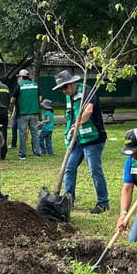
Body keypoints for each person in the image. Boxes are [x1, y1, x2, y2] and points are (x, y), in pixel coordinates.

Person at [53, 69, 109, 214]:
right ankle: (68, 200)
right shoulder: (69, 96)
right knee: (69, 168)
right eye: (61, 89)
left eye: (65, 87)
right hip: (77, 141)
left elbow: (88, 111)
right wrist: (68, 134)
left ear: (72, 83)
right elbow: (70, 117)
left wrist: (76, 125)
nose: (64, 91)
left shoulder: (88, 91)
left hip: (93, 139)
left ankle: (103, 203)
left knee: (95, 171)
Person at [9, 69, 42, 159]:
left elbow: (12, 100)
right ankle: (37, 153)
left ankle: (22, 154)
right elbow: (40, 98)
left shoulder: (19, 86)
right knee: (35, 133)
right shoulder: (35, 85)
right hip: (34, 112)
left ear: (21, 77)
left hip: (22, 113)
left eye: (19, 77)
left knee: (22, 134)